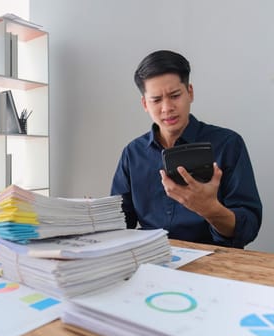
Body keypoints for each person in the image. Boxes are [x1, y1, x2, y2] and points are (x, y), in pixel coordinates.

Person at [111, 50, 262, 248]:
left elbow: (248, 228)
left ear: (189, 92)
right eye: (156, 100)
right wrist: (90, 216)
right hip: (150, 259)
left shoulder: (228, 144)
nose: (167, 108)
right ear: (145, 104)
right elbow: (120, 222)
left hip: (214, 262)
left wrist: (210, 209)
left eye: (175, 96)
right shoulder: (133, 153)